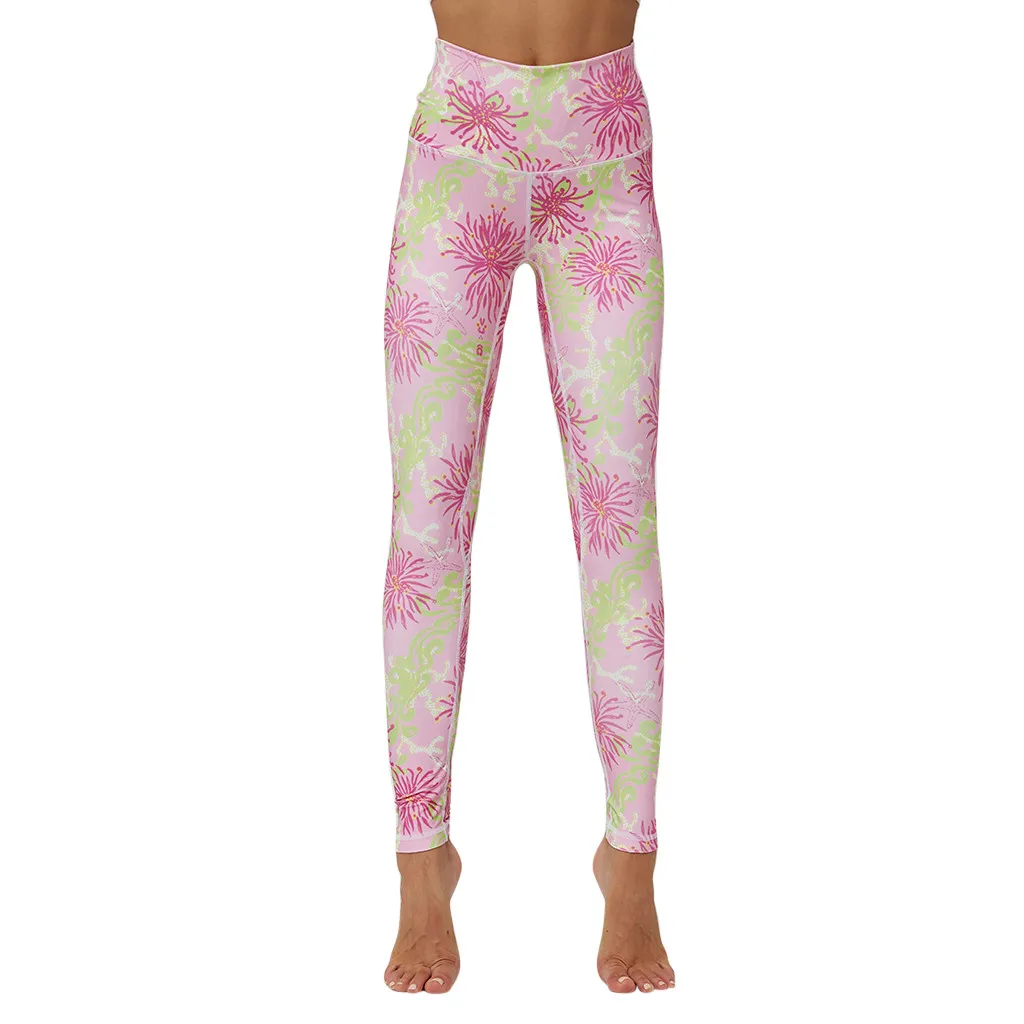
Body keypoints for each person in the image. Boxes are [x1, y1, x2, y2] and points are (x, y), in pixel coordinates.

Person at [381, 0, 672, 993]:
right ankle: (421, 861)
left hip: (603, 149)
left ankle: (631, 858)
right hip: (460, 148)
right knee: (426, 524)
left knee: (620, 524)